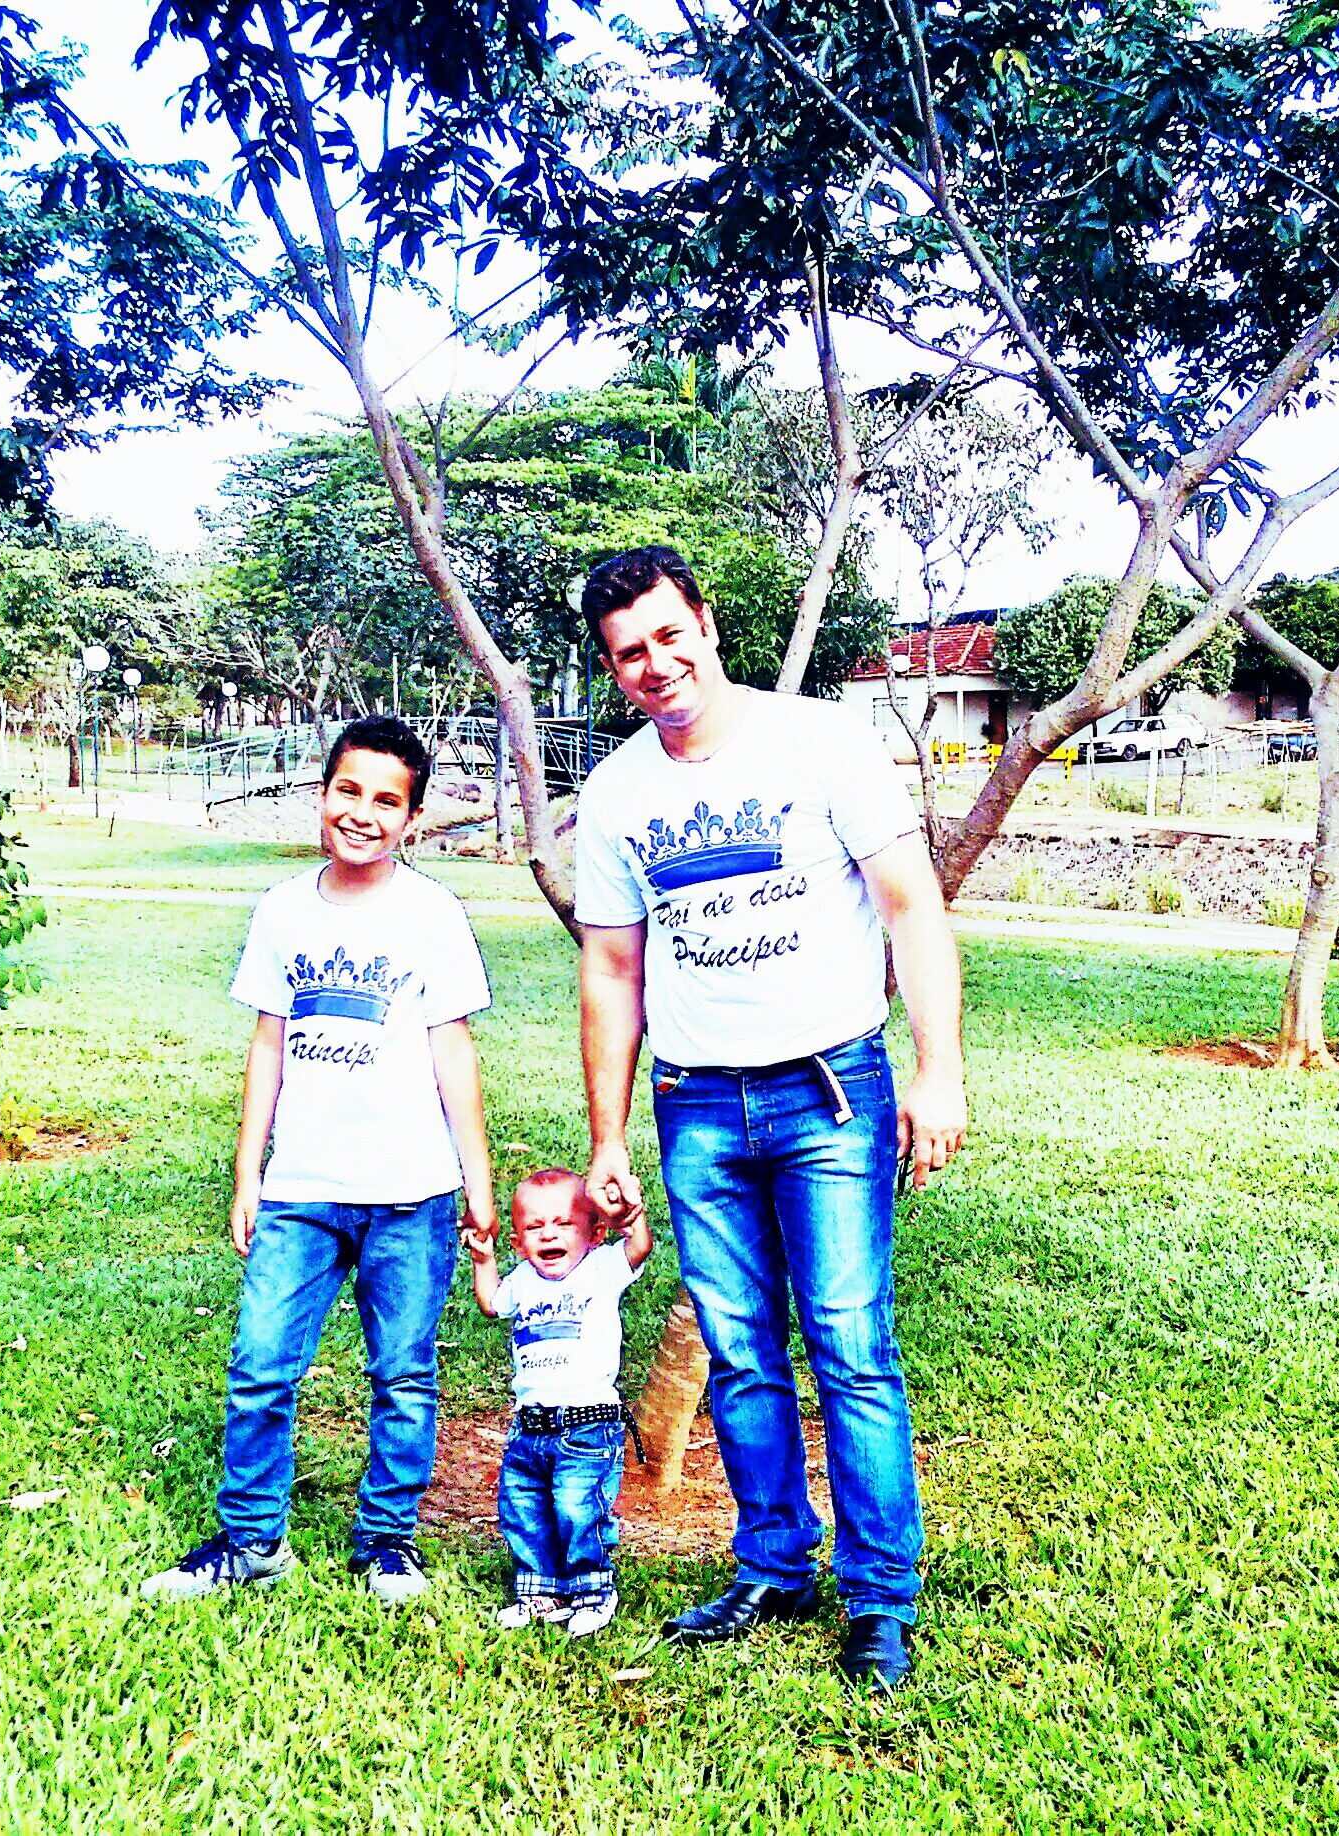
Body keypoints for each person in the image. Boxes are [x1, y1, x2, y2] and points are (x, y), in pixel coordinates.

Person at [570, 544, 968, 1694]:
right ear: (613, 669)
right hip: (695, 1104)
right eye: (629, 654)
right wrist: (608, 1137)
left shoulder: (822, 741)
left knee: (850, 1343)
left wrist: (938, 1074)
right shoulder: (617, 794)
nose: (655, 664)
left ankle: (880, 1598)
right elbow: (611, 970)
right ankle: (774, 1567)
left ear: (706, 623)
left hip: (829, 1091)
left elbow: (913, 909)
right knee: (740, 1349)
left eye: (668, 635)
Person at [145, 714, 492, 1607]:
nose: (363, 813)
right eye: (349, 791)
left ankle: (387, 1544)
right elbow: (269, 1044)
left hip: (412, 1194)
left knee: (403, 1375)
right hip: (300, 1190)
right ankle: (251, 1542)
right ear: (322, 792)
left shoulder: (433, 914)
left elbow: (453, 1051)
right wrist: (247, 1174)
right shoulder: (283, 910)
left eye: (387, 801)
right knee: (261, 1366)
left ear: (412, 818)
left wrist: (478, 1184)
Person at [465, 1167, 654, 1637]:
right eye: (535, 1227)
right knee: (524, 1506)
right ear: (518, 1243)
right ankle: (540, 1592)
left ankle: (592, 1590)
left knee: (577, 1506)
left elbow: (639, 1247)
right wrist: (483, 1258)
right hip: (529, 1427)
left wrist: (630, 1215)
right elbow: (491, 1302)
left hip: (587, 1427)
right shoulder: (522, 1280)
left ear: (594, 1233)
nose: (549, 1234)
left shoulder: (600, 1269)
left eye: (564, 1223)